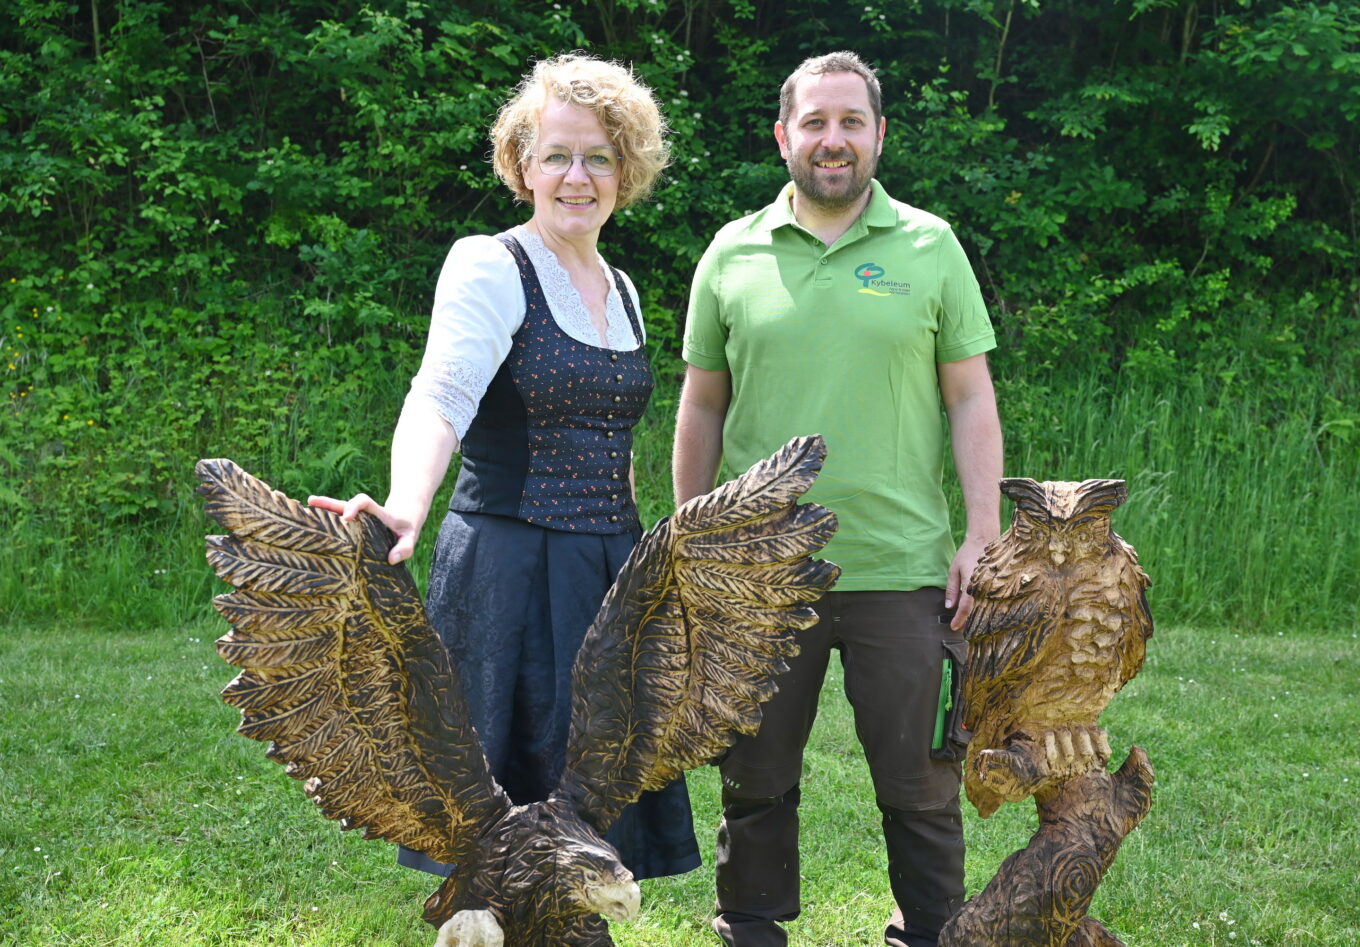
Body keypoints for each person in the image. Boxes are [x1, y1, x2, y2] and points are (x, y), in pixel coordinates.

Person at [310, 53, 700, 882]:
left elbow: (613, 441)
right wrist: (408, 502)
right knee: (505, 826)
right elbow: (440, 392)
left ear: (625, 169)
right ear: (522, 164)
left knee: (587, 819)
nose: (577, 176)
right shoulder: (492, 265)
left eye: (598, 156)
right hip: (511, 574)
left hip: (605, 574)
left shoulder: (621, 287)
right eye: (557, 154)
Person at [672, 52, 1003, 947]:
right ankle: (751, 926)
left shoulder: (931, 246)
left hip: (899, 563)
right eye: (815, 122)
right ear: (784, 136)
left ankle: (932, 930)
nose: (833, 139)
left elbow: (970, 395)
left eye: (851, 121)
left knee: (920, 779)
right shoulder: (731, 253)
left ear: (879, 134)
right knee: (756, 769)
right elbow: (702, 404)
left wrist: (983, 533)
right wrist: (692, 543)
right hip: (760, 570)